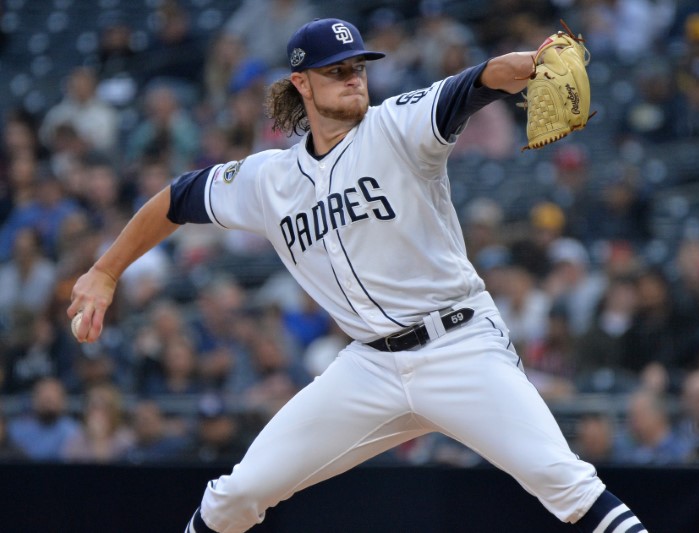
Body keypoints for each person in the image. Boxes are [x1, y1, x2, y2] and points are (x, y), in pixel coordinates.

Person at [68, 17, 648, 533]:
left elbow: (472, 85)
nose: (354, 77)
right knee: (237, 495)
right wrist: (104, 270)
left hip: (460, 347)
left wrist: (520, 67)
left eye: (359, 66)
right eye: (337, 69)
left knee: (566, 485)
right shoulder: (269, 179)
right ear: (302, 83)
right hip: (369, 367)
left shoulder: (398, 125)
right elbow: (177, 198)